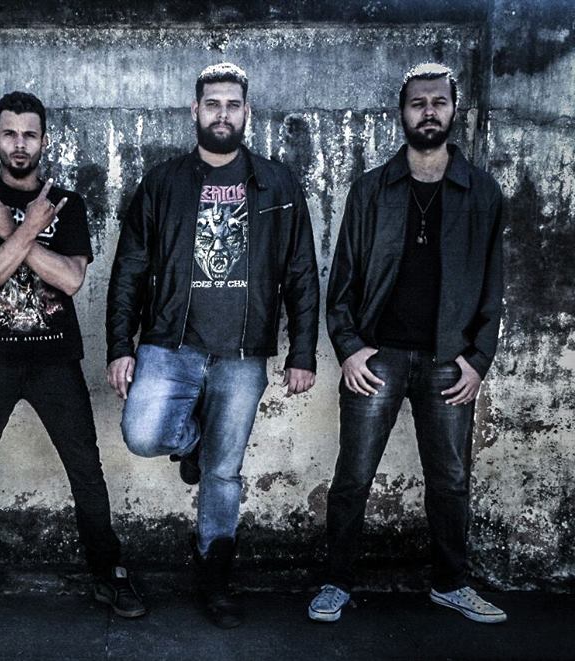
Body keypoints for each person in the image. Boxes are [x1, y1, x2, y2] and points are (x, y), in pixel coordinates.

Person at [0, 91, 146, 621]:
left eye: (29, 134)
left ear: (44, 140)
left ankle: (109, 573)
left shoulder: (66, 204)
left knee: (85, 468)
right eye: (10, 134)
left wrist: (12, 235)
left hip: (55, 360)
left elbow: (70, 279)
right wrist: (21, 230)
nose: (19, 144)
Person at [105, 63, 319, 628]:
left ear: (247, 113)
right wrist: (120, 344)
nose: (222, 113)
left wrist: (302, 351)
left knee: (224, 474)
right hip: (170, 343)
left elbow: (301, 270)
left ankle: (215, 577)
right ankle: (194, 443)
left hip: (242, 354)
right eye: (212, 103)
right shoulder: (163, 183)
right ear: (195, 111)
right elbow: (130, 268)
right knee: (144, 433)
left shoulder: (277, 184)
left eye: (232, 104)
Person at [310, 63, 506, 624]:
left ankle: (451, 583)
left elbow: (493, 285)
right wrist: (350, 348)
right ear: (402, 113)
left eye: (438, 102)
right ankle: (336, 581)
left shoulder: (481, 192)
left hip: (450, 360)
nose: (428, 112)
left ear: (453, 110)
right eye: (418, 103)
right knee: (354, 475)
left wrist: (478, 360)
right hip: (379, 356)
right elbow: (342, 280)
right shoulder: (372, 190)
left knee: (451, 479)